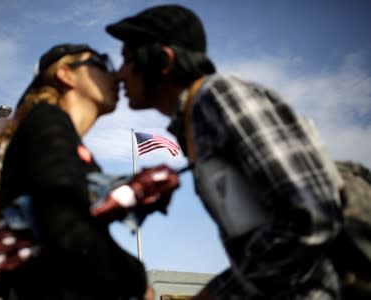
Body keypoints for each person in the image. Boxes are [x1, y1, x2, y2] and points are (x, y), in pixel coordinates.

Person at [106, 5, 344, 299]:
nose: (119, 75)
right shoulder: (193, 122)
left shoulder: (219, 95)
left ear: (164, 60)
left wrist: (218, 295)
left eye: (128, 60)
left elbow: (312, 216)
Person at [0, 43, 179, 300]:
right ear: (66, 74)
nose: (115, 75)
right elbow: (67, 226)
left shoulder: (61, 140)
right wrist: (137, 280)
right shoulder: (47, 121)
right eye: (101, 63)